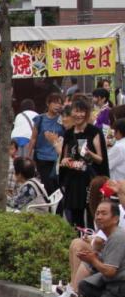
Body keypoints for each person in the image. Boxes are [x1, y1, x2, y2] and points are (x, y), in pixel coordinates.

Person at [58, 97, 106, 228]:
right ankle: (78, 239)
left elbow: (101, 159)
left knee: (92, 213)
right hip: (73, 180)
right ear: (71, 112)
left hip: (89, 179)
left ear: (87, 113)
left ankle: (92, 240)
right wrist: (65, 160)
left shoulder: (94, 132)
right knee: (75, 216)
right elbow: (65, 156)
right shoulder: (68, 133)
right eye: (76, 111)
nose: (79, 115)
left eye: (82, 111)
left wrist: (90, 154)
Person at [27, 93, 65, 192]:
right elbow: (33, 138)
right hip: (42, 157)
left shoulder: (62, 119)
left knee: (57, 184)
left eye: (60, 104)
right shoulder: (40, 119)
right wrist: (28, 154)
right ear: (48, 103)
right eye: (55, 103)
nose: (58, 106)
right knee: (47, 184)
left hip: (57, 157)